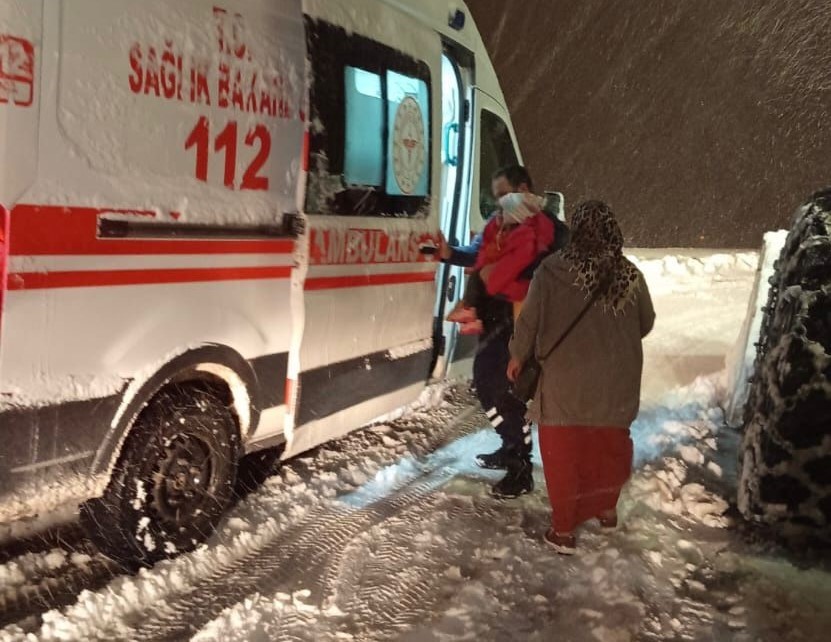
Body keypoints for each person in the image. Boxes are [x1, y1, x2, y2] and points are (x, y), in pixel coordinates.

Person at [507, 200, 655, 554]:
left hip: (564, 385)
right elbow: (645, 323)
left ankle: (563, 532)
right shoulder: (631, 275)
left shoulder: (552, 270)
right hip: (616, 385)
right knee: (608, 448)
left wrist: (516, 355)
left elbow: (529, 322)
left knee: (564, 457)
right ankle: (605, 509)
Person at [440, 165, 547, 498]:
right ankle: (510, 446)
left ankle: (521, 466)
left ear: (524, 189)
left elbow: (517, 274)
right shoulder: (499, 223)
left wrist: (487, 274)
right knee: (487, 385)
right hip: (495, 314)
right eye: (497, 196)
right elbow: (478, 254)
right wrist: (450, 254)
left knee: (506, 390)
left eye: (505, 194)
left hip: (519, 319)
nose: (500, 202)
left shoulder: (542, 228)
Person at [446, 191, 554, 335]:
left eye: (501, 212)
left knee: (481, 277)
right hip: (513, 291)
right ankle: (472, 311)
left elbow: (504, 273)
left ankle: (473, 313)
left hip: (516, 293)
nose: (497, 216)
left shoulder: (524, 241)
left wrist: (488, 276)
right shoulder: (519, 236)